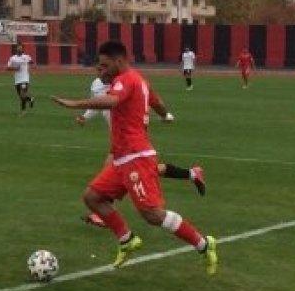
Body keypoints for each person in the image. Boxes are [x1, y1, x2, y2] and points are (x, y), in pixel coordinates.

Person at [51, 40, 218, 275]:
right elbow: (158, 103)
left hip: (136, 157)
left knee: (152, 214)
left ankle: (203, 244)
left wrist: (75, 104)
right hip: (121, 159)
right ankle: (126, 240)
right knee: (93, 197)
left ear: (119, 61)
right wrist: (164, 115)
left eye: (105, 66)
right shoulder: (140, 81)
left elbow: (111, 101)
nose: (102, 71)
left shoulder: (126, 79)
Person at [76, 72, 207, 198]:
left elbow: (147, 102)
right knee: (146, 171)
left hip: (130, 138)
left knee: (111, 173)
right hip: (119, 138)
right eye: (98, 68)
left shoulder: (127, 82)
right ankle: (192, 173)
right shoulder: (97, 84)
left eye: (103, 67)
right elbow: (97, 104)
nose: (100, 72)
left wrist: (165, 115)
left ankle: (101, 208)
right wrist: (85, 116)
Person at [5, 44, 35, 113]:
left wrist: (32, 66)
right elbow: (8, 68)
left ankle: (23, 110)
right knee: (21, 96)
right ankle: (30, 99)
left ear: (22, 49)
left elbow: (32, 63)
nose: (19, 49)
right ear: (16, 49)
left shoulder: (26, 57)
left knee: (22, 94)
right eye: (18, 48)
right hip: (17, 79)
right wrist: (15, 68)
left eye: (21, 48)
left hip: (25, 78)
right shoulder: (12, 58)